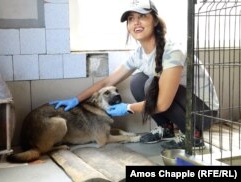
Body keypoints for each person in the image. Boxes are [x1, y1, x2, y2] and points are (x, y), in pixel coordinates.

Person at [50, 0, 219, 149]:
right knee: (137, 81)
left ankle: (193, 136)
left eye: (142, 16)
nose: (136, 22)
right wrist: (76, 99)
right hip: (185, 107)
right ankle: (166, 130)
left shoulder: (173, 51)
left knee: (148, 85)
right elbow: (108, 81)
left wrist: (128, 108)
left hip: (203, 113)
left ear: (154, 21)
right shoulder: (139, 54)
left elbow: (162, 103)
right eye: (131, 19)